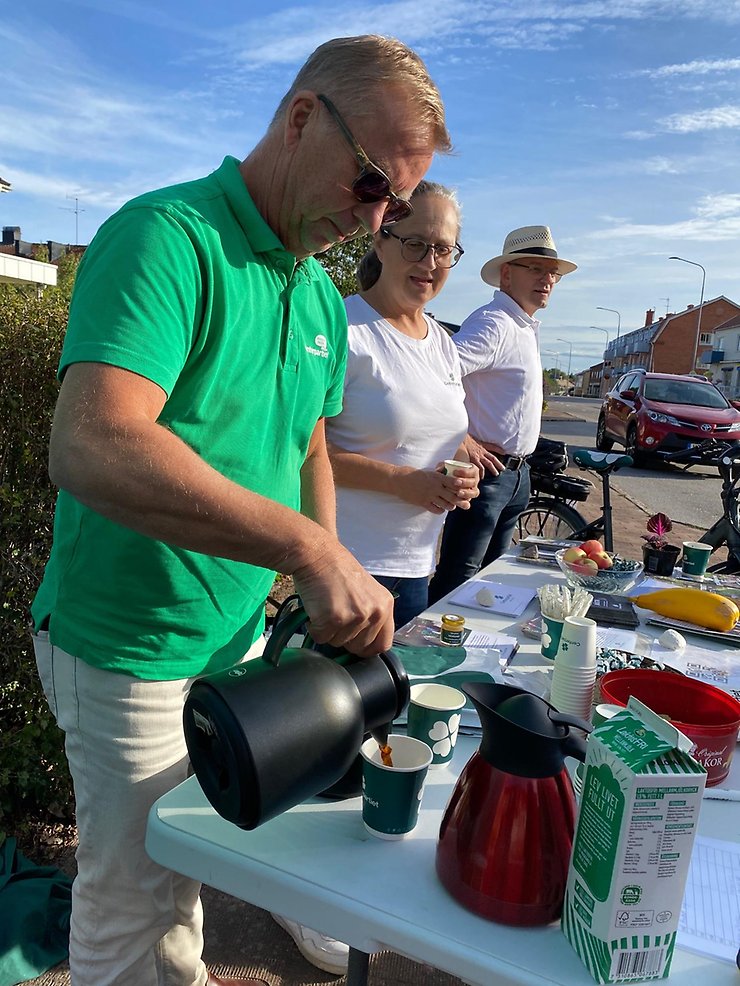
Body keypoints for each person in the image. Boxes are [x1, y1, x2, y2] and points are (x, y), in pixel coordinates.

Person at [30, 35, 451, 986]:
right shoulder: (167, 236)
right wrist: (306, 547)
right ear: (303, 118)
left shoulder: (313, 290)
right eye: (375, 181)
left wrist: (325, 564)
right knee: (133, 898)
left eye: (396, 200)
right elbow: (92, 443)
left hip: (233, 639)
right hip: (127, 640)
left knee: (193, 871)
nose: (377, 216)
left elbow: (304, 444)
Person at [325, 180, 478, 629]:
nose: (430, 263)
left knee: (396, 697)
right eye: (416, 244)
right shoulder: (343, 328)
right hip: (350, 565)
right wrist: (400, 481)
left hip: (416, 566)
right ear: (380, 240)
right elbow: (301, 452)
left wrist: (463, 471)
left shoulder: (442, 344)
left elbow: (445, 434)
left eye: (444, 249)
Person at [428, 225, 577, 602]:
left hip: (516, 475)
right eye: (535, 269)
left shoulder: (521, 325)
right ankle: (428, 656)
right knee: (458, 581)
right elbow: (430, 375)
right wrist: (461, 439)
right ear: (507, 273)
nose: (546, 280)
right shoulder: (495, 323)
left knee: (492, 584)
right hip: (487, 476)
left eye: (552, 273)